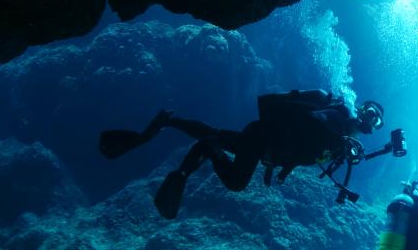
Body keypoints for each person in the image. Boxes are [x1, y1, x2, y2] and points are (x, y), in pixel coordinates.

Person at [99, 90, 385, 219]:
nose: (370, 123)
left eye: (376, 122)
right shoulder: (338, 116)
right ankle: (206, 147)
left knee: (218, 133)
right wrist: (338, 138)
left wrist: (283, 169)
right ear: (361, 110)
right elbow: (310, 123)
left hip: (265, 141)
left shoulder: (339, 143)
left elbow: (304, 151)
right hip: (264, 138)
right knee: (235, 181)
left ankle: (169, 121)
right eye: (371, 114)